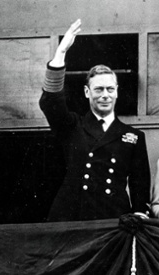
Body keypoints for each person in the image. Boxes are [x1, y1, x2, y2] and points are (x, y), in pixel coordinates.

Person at [39, 19, 151, 222]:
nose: (105, 95)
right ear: (86, 92)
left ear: (117, 91)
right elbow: (51, 103)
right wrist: (60, 54)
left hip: (114, 216)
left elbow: (139, 183)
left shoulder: (133, 136)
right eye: (98, 89)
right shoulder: (73, 126)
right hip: (73, 215)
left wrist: (140, 215)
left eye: (110, 89)